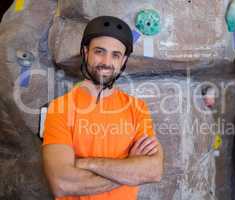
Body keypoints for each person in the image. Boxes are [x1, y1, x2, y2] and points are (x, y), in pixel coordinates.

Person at [42, 16, 164, 200]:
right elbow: (62, 184)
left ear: (123, 61)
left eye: (116, 55)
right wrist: (130, 168)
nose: (106, 62)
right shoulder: (60, 108)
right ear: (85, 52)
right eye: (100, 51)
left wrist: (86, 164)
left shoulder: (137, 108)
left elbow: (153, 171)